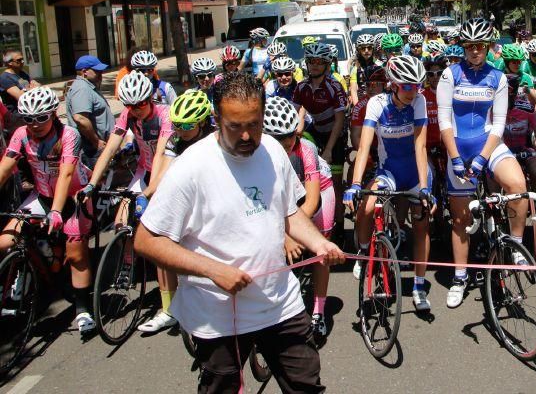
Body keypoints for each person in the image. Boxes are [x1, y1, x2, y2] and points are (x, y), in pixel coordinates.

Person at [134, 72, 344, 393]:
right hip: (219, 317)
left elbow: (287, 212)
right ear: (216, 119)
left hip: (281, 305)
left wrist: (318, 243)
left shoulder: (273, 150)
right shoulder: (191, 168)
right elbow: (146, 241)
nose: (247, 136)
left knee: (306, 384)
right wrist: (213, 270)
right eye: (235, 126)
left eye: (254, 124)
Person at [437, 18, 530, 308]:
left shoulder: (497, 78)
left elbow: (499, 124)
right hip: (458, 148)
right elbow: (444, 120)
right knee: (461, 221)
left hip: (487, 144)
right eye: (469, 47)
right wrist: (455, 158)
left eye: (480, 46)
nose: (475, 51)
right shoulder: (450, 74)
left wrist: (482, 158)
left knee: (517, 184)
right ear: (463, 48)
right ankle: (460, 277)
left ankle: (515, 245)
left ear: (489, 47)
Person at [0, 87, 95, 334]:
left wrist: (55, 211)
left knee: (75, 255)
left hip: (73, 196)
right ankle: (37, 269)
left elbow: (65, 173)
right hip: (41, 195)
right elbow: (5, 167)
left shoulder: (69, 134)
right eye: (29, 118)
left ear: (53, 114)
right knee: (4, 241)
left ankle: (83, 309)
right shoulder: (21, 134)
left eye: (41, 117)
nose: (35, 124)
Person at [345, 55, 433, 311]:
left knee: (421, 224)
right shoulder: (376, 103)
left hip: (415, 171)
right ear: (393, 84)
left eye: (417, 85)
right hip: (389, 171)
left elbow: (420, 145)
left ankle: (418, 286)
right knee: (369, 206)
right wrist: (355, 183)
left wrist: (425, 186)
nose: (413, 91)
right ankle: (363, 252)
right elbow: (363, 147)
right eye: (407, 85)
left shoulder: (419, 101)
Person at [137, 89, 216, 334]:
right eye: (177, 124)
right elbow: (164, 174)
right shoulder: (175, 140)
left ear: (202, 122)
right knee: (163, 246)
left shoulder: (216, 138)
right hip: (187, 195)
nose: (180, 130)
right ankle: (169, 308)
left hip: (212, 197)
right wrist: (146, 195)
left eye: (187, 125)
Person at [264, 97, 337, 337]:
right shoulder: (259, 153)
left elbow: (312, 201)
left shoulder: (307, 148)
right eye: (278, 140)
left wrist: (289, 232)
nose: (286, 145)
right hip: (286, 201)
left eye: (290, 137)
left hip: (316, 196)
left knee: (320, 255)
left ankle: (318, 311)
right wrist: (282, 235)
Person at [82, 71, 173, 218]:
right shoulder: (127, 114)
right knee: (121, 220)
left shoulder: (165, 115)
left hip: (165, 171)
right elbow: (110, 149)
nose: (136, 110)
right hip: (144, 169)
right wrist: (92, 184)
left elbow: (160, 154)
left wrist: (149, 191)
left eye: (141, 104)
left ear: (150, 98)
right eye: (130, 105)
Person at [294, 42, 348, 199]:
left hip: (335, 135)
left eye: (320, 62)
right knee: (310, 176)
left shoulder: (335, 86)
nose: (315, 65)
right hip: (316, 132)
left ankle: (338, 222)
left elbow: (339, 120)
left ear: (328, 64)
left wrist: (329, 149)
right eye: (312, 61)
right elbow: (294, 113)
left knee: (336, 184)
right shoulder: (301, 86)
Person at [65, 55, 114, 169]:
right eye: (97, 71)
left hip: (98, 148)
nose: (101, 73)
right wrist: (96, 142)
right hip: (92, 151)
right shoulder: (82, 89)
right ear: (84, 72)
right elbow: (80, 118)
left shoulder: (88, 86)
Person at [502, 83, 536, 193]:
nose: (509, 99)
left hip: (525, 149)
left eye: (512, 95)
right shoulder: (492, 109)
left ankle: (535, 195)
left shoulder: (527, 109)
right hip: (502, 152)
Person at [0, 49, 38, 131]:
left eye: (22, 59)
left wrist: (28, 89)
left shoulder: (22, 73)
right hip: (17, 117)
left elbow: (39, 86)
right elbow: (21, 97)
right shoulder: (4, 78)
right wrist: (30, 88)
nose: (23, 61)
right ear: (9, 62)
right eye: (19, 60)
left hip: (30, 112)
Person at [349, 34, 379, 106]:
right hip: (362, 103)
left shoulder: (379, 66)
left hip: (377, 103)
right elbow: (353, 91)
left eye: (369, 48)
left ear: (373, 49)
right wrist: (357, 108)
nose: (366, 51)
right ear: (359, 50)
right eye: (363, 48)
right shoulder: (356, 69)